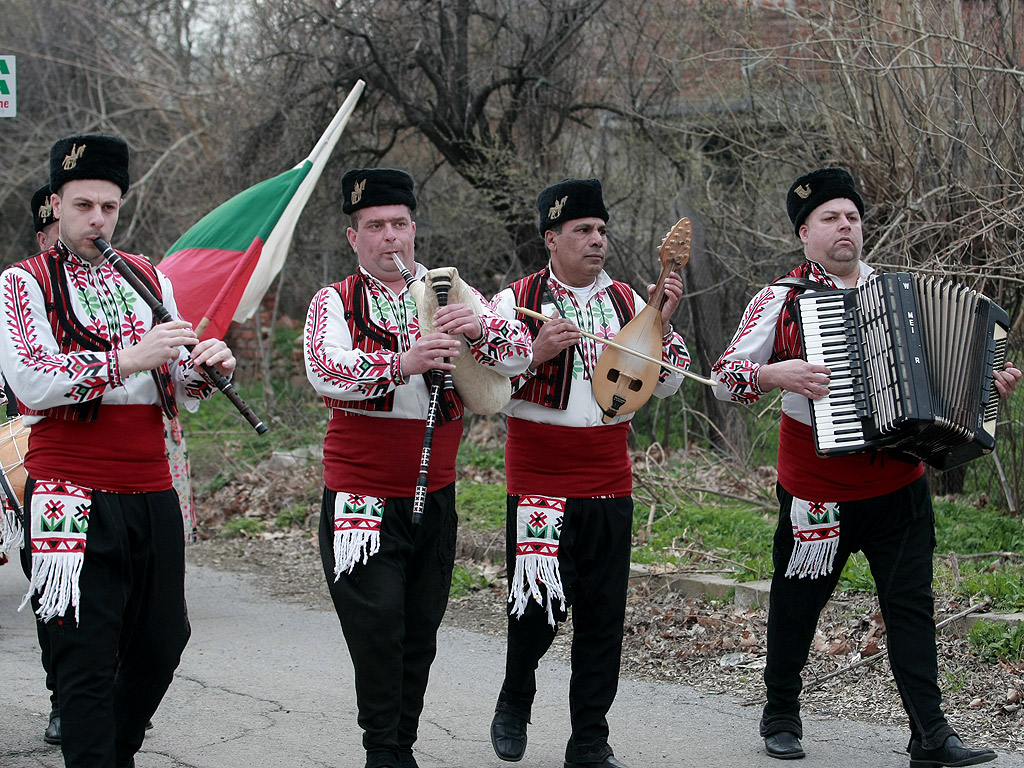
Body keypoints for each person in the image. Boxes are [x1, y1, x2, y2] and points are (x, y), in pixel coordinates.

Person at [711, 167, 1021, 766]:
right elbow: (723, 378)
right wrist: (776, 374)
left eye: (851, 216)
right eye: (830, 218)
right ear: (805, 233)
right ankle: (780, 713)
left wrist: (989, 382)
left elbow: (945, 378)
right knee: (798, 602)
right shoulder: (781, 299)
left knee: (910, 607)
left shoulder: (898, 294)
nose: (844, 226)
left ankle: (930, 734)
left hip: (899, 485)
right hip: (818, 488)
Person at [0, 133, 236, 768]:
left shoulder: (148, 275)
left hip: (149, 484)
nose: (96, 220)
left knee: (164, 640)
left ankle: (112, 751)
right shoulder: (21, 283)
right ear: (56, 205)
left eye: (108, 206)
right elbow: (30, 379)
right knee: (82, 653)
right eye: (82, 206)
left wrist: (209, 368)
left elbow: (179, 387)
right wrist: (128, 359)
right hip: (64, 489)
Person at [303, 167, 532, 768]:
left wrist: (478, 328)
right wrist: (403, 362)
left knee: (421, 627)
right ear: (354, 237)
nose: (391, 238)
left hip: (437, 492)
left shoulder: (447, 289)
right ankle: (385, 750)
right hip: (361, 494)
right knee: (377, 626)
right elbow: (325, 372)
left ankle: (398, 742)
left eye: (400, 224)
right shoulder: (334, 299)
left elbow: (518, 358)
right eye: (375, 226)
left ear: (414, 229)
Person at [487, 178, 691, 768]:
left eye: (601, 230)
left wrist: (663, 322)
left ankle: (590, 739)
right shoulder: (513, 301)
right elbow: (488, 382)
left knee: (603, 614)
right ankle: (514, 698)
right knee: (535, 608)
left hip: (609, 475)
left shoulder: (630, 301)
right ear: (551, 238)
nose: (596, 240)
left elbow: (671, 381)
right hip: (539, 477)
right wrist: (538, 351)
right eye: (582, 231)